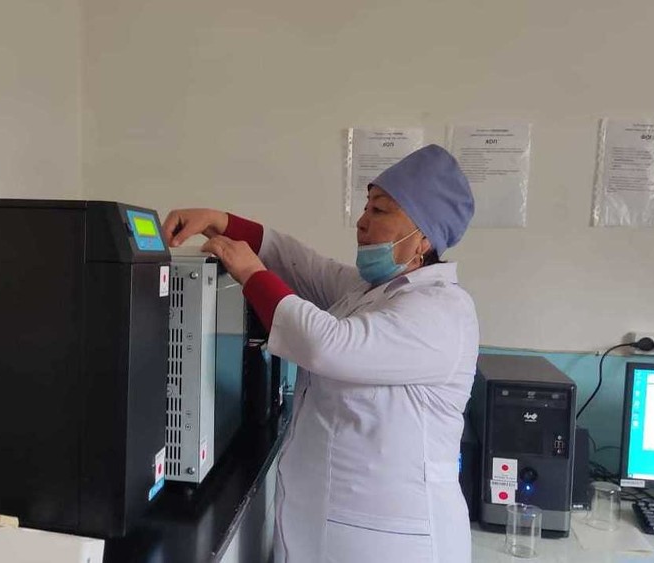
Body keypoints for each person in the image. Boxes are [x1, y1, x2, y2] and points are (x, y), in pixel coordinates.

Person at [161, 144, 479, 562]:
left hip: (394, 543)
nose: (362, 222)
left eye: (380, 211)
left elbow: (327, 345)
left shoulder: (441, 312)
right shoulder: (371, 292)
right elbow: (301, 265)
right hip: (330, 531)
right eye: (366, 207)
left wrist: (250, 272)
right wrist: (219, 220)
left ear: (423, 237)